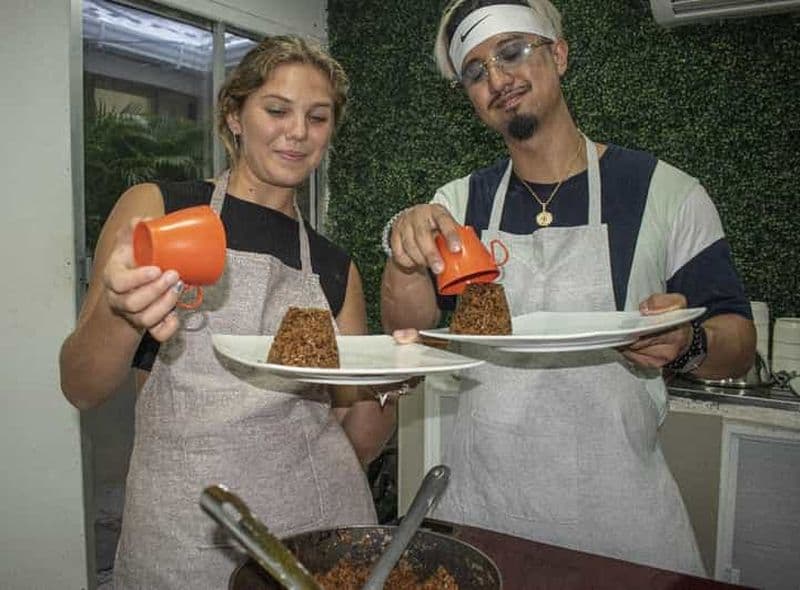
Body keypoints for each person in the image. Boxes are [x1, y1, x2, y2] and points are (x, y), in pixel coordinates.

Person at [380, 0, 756, 576]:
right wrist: (406, 258)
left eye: (511, 52)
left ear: (557, 54)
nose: (498, 79)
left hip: (622, 518)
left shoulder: (666, 193)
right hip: (487, 510)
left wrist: (690, 344)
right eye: (475, 71)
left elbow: (739, 339)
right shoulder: (457, 206)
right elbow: (405, 329)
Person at [60, 36, 398, 589]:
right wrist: (122, 313)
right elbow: (82, 386)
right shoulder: (162, 211)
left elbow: (356, 437)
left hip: (316, 530)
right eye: (276, 110)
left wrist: (387, 384)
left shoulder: (336, 268)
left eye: (318, 117)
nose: (298, 131)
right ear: (234, 114)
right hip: (189, 530)